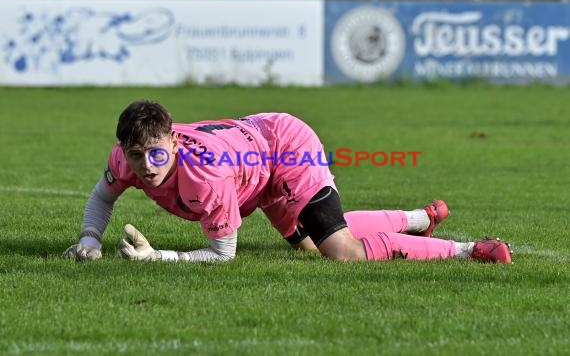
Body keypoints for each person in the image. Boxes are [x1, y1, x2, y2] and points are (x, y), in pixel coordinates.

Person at [64, 100, 512, 264]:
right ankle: (418, 218)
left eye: (157, 153)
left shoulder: (204, 175)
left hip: (285, 147)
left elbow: (223, 255)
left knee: (342, 253)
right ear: (124, 149)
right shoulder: (127, 157)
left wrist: (156, 257)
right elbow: (103, 195)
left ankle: (471, 249)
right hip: (254, 165)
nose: (147, 165)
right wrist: (89, 238)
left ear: (175, 144)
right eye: (137, 155)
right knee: (311, 247)